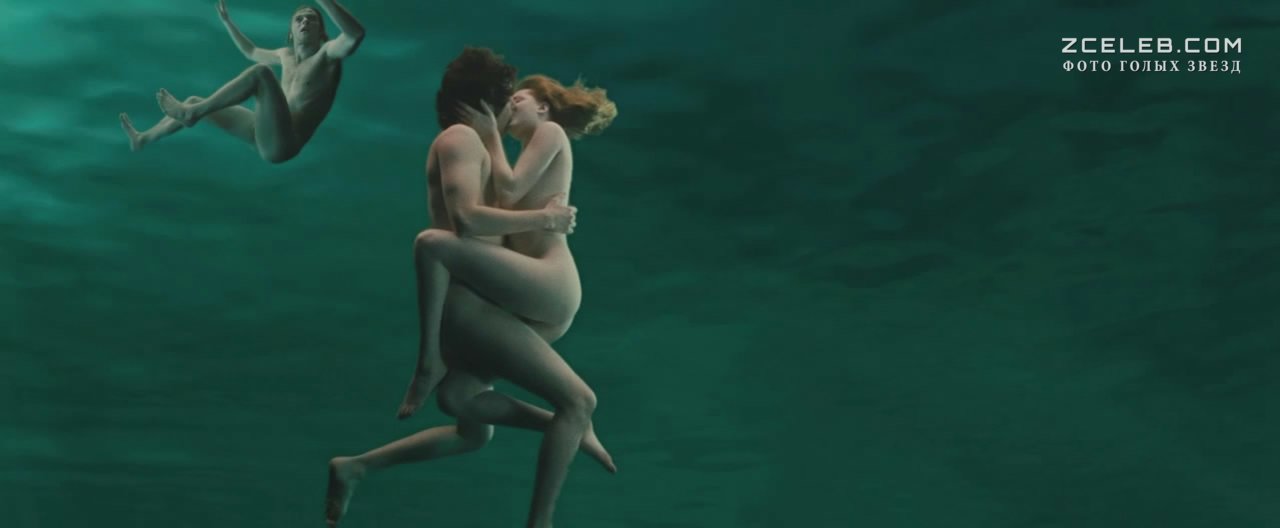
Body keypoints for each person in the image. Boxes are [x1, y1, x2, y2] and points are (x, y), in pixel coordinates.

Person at [323, 47, 618, 528]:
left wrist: (500, 150)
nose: (512, 107)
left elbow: (504, 200)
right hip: (507, 298)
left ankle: (562, 445)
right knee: (465, 405)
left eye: (520, 99)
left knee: (505, 412)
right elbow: (475, 216)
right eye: (509, 99)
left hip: (529, 290)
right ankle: (361, 464)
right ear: (486, 103)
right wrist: (543, 215)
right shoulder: (466, 140)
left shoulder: (532, 137)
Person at [118, 0, 364, 163]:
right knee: (194, 100)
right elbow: (251, 51)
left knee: (261, 74)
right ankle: (143, 139)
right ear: (291, 33)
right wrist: (228, 23)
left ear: (322, 33)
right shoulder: (285, 55)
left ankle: (192, 114)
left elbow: (355, 34)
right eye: (299, 19)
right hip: (262, 132)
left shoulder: (328, 56)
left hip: (285, 144)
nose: (305, 22)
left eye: (311, 19)